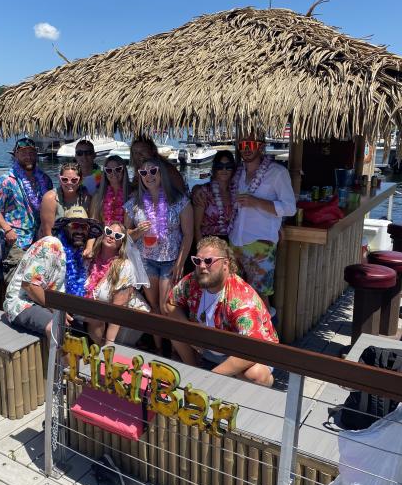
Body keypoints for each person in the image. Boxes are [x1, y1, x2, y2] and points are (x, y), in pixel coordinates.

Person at [165, 236, 278, 386]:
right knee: (174, 325)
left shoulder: (241, 298)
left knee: (256, 375)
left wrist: (210, 378)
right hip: (211, 346)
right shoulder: (193, 280)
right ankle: (193, 370)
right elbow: (170, 304)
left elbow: (252, 349)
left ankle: (226, 379)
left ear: (226, 263)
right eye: (197, 261)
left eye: (209, 261)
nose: (202, 266)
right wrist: (189, 331)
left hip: (246, 352)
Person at [124, 157, 193, 354]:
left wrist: (181, 261)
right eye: (143, 173)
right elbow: (123, 233)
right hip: (146, 261)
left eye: (153, 171)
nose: (149, 176)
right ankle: (159, 347)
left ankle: (177, 347)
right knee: (153, 306)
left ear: (161, 173)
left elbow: (188, 234)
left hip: (170, 261)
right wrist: (136, 232)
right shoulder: (134, 204)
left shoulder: (179, 201)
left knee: (166, 307)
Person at [4, 206, 102, 337]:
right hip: (24, 303)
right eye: (75, 225)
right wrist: (57, 310)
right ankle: (61, 358)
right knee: (57, 329)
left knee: (98, 318)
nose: (79, 230)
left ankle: (100, 354)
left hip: (54, 303)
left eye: (84, 227)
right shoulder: (51, 244)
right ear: (65, 228)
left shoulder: (76, 253)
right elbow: (29, 286)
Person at [228, 137, 296, 310]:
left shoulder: (277, 173)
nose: (246, 148)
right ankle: (240, 335)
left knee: (259, 296)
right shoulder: (239, 173)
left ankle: (266, 335)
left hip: (261, 244)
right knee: (235, 293)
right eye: (242, 145)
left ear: (261, 147)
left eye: (250, 144)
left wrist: (256, 202)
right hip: (235, 241)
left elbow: (290, 208)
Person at [0, 137, 53, 283]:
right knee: (16, 281)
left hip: (39, 239)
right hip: (16, 241)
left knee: (38, 280)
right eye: (23, 153)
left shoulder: (45, 179)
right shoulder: (5, 181)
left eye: (31, 153)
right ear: (15, 155)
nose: (28, 157)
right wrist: (7, 230)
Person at [85, 222, 150, 346]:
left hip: (130, 317)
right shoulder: (91, 260)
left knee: (113, 351)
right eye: (109, 232)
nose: (111, 237)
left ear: (122, 243)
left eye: (118, 236)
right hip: (102, 315)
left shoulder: (124, 266)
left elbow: (118, 309)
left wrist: (109, 345)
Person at [86, 155, 130, 257]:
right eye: (109, 170)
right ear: (105, 172)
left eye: (118, 169)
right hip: (103, 243)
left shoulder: (132, 194)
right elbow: (93, 224)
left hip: (124, 244)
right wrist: (89, 247)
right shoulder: (98, 196)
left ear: (124, 171)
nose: (113, 173)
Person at [192, 150, 237, 243]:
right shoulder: (203, 193)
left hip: (232, 244)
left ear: (233, 169)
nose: (224, 170)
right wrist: (201, 252)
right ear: (214, 169)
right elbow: (196, 227)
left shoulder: (236, 191)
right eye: (220, 166)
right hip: (209, 244)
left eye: (228, 166)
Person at [40, 162, 90, 237]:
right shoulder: (50, 198)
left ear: (80, 180)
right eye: (64, 179)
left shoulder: (86, 197)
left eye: (74, 180)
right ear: (59, 179)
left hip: (77, 239)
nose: (69, 183)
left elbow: (91, 225)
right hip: (53, 240)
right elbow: (48, 233)